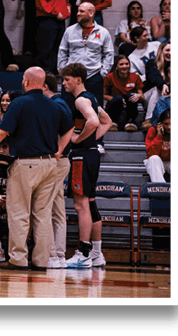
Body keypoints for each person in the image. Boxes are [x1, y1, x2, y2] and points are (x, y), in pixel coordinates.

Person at [0, 67, 74, 271]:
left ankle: (18, 259)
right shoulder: (54, 104)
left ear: (25, 81)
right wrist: (58, 150)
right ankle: (41, 261)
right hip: (50, 163)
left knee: (19, 212)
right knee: (42, 213)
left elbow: (1, 131)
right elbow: (69, 129)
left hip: (26, 163)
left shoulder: (19, 103)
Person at [61, 63, 113, 268]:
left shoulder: (81, 100)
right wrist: (91, 140)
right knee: (90, 204)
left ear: (78, 80)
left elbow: (93, 121)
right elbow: (107, 121)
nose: (63, 83)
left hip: (82, 156)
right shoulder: (91, 98)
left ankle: (83, 253)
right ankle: (97, 253)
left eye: (66, 79)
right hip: (91, 154)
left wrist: (78, 140)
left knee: (80, 205)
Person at [57, 2, 115, 115]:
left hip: (93, 77)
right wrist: (63, 71)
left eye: (81, 11)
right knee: (67, 111)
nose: (78, 14)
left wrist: (102, 74)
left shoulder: (103, 32)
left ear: (91, 13)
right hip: (71, 77)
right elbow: (62, 52)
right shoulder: (69, 31)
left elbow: (109, 54)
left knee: (93, 111)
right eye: (78, 11)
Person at [40, 72, 74, 269]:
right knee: (58, 208)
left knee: (50, 207)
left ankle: (54, 254)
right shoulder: (60, 103)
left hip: (58, 162)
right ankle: (58, 254)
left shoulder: (57, 104)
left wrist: (59, 151)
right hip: (60, 161)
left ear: (45, 86)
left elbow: (69, 129)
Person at [34, 0, 70, 74]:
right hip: (47, 21)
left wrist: (68, 9)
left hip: (60, 21)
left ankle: (54, 73)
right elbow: (41, 3)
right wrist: (55, 13)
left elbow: (62, 2)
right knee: (46, 49)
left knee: (58, 48)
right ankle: (43, 74)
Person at [104, 55, 145, 132]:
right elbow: (104, 95)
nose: (124, 66)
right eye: (121, 64)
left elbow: (142, 97)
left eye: (127, 64)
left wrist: (138, 96)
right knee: (118, 98)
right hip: (115, 104)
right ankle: (113, 122)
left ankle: (131, 122)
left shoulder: (135, 77)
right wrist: (117, 99)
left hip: (130, 104)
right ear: (116, 66)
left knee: (131, 95)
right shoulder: (110, 77)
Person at [144, 109, 171, 183]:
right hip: (157, 161)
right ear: (160, 123)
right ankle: (160, 188)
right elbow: (151, 153)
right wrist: (159, 135)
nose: (169, 127)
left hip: (170, 161)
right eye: (166, 124)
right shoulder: (153, 130)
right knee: (154, 158)